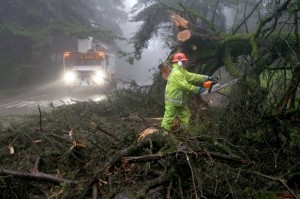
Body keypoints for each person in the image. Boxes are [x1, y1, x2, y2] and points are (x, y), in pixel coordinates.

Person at [161, 52, 216, 132]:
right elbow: (185, 86)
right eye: (183, 61)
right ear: (179, 62)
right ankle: (163, 135)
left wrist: (208, 78)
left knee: (186, 114)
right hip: (172, 101)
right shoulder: (176, 73)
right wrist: (199, 90)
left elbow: (193, 77)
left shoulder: (182, 71)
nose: (185, 63)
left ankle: (184, 132)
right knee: (168, 119)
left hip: (179, 101)